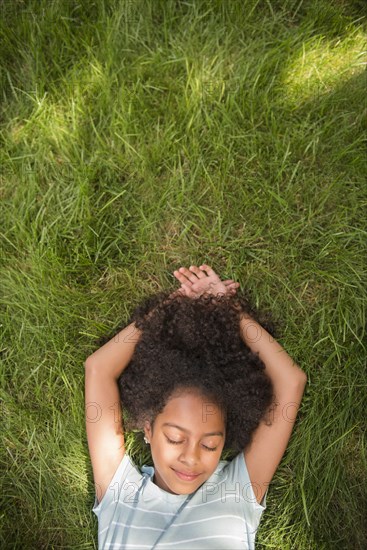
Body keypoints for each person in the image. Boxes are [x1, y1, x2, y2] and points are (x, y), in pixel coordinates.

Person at [85, 264, 307, 549]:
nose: (191, 458)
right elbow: (98, 369)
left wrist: (231, 310)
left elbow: (292, 382)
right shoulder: (120, 495)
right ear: (148, 428)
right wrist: (174, 304)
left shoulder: (237, 493)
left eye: (211, 445)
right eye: (175, 438)